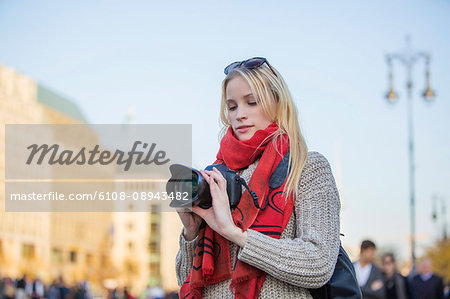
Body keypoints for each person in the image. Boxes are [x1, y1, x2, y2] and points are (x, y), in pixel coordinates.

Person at [174, 57, 342, 298]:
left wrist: (234, 233)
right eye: (232, 107)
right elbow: (185, 281)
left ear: (277, 104)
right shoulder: (216, 174)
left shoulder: (307, 166)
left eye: (251, 102)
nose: (240, 114)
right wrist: (190, 234)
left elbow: (318, 263)